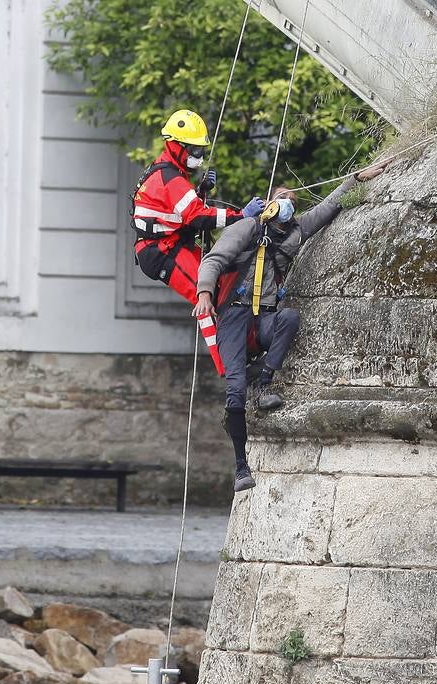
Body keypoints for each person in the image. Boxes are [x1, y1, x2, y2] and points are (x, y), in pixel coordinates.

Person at [196, 162, 390, 492]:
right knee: (234, 388)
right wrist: (204, 293)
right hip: (235, 316)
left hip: (267, 316)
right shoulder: (249, 227)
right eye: (281, 198)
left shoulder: (297, 230)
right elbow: (214, 259)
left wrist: (354, 179)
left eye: (292, 201)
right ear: (269, 203)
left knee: (290, 318)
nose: (287, 203)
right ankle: (241, 466)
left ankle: (265, 381)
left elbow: (329, 206)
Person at [132, 109, 265, 373]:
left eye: (200, 151)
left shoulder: (170, 173)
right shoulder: (170, 179)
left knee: (225, 282)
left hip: (172, 244)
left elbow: (180, 210)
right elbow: (197, 218)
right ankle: (229, 366)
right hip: (161, 252)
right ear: (176, 146)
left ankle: (248, 347)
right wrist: (240, 215)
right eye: (194, 151)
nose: (199, 157)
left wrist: (200, 191)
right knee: (206, 298)